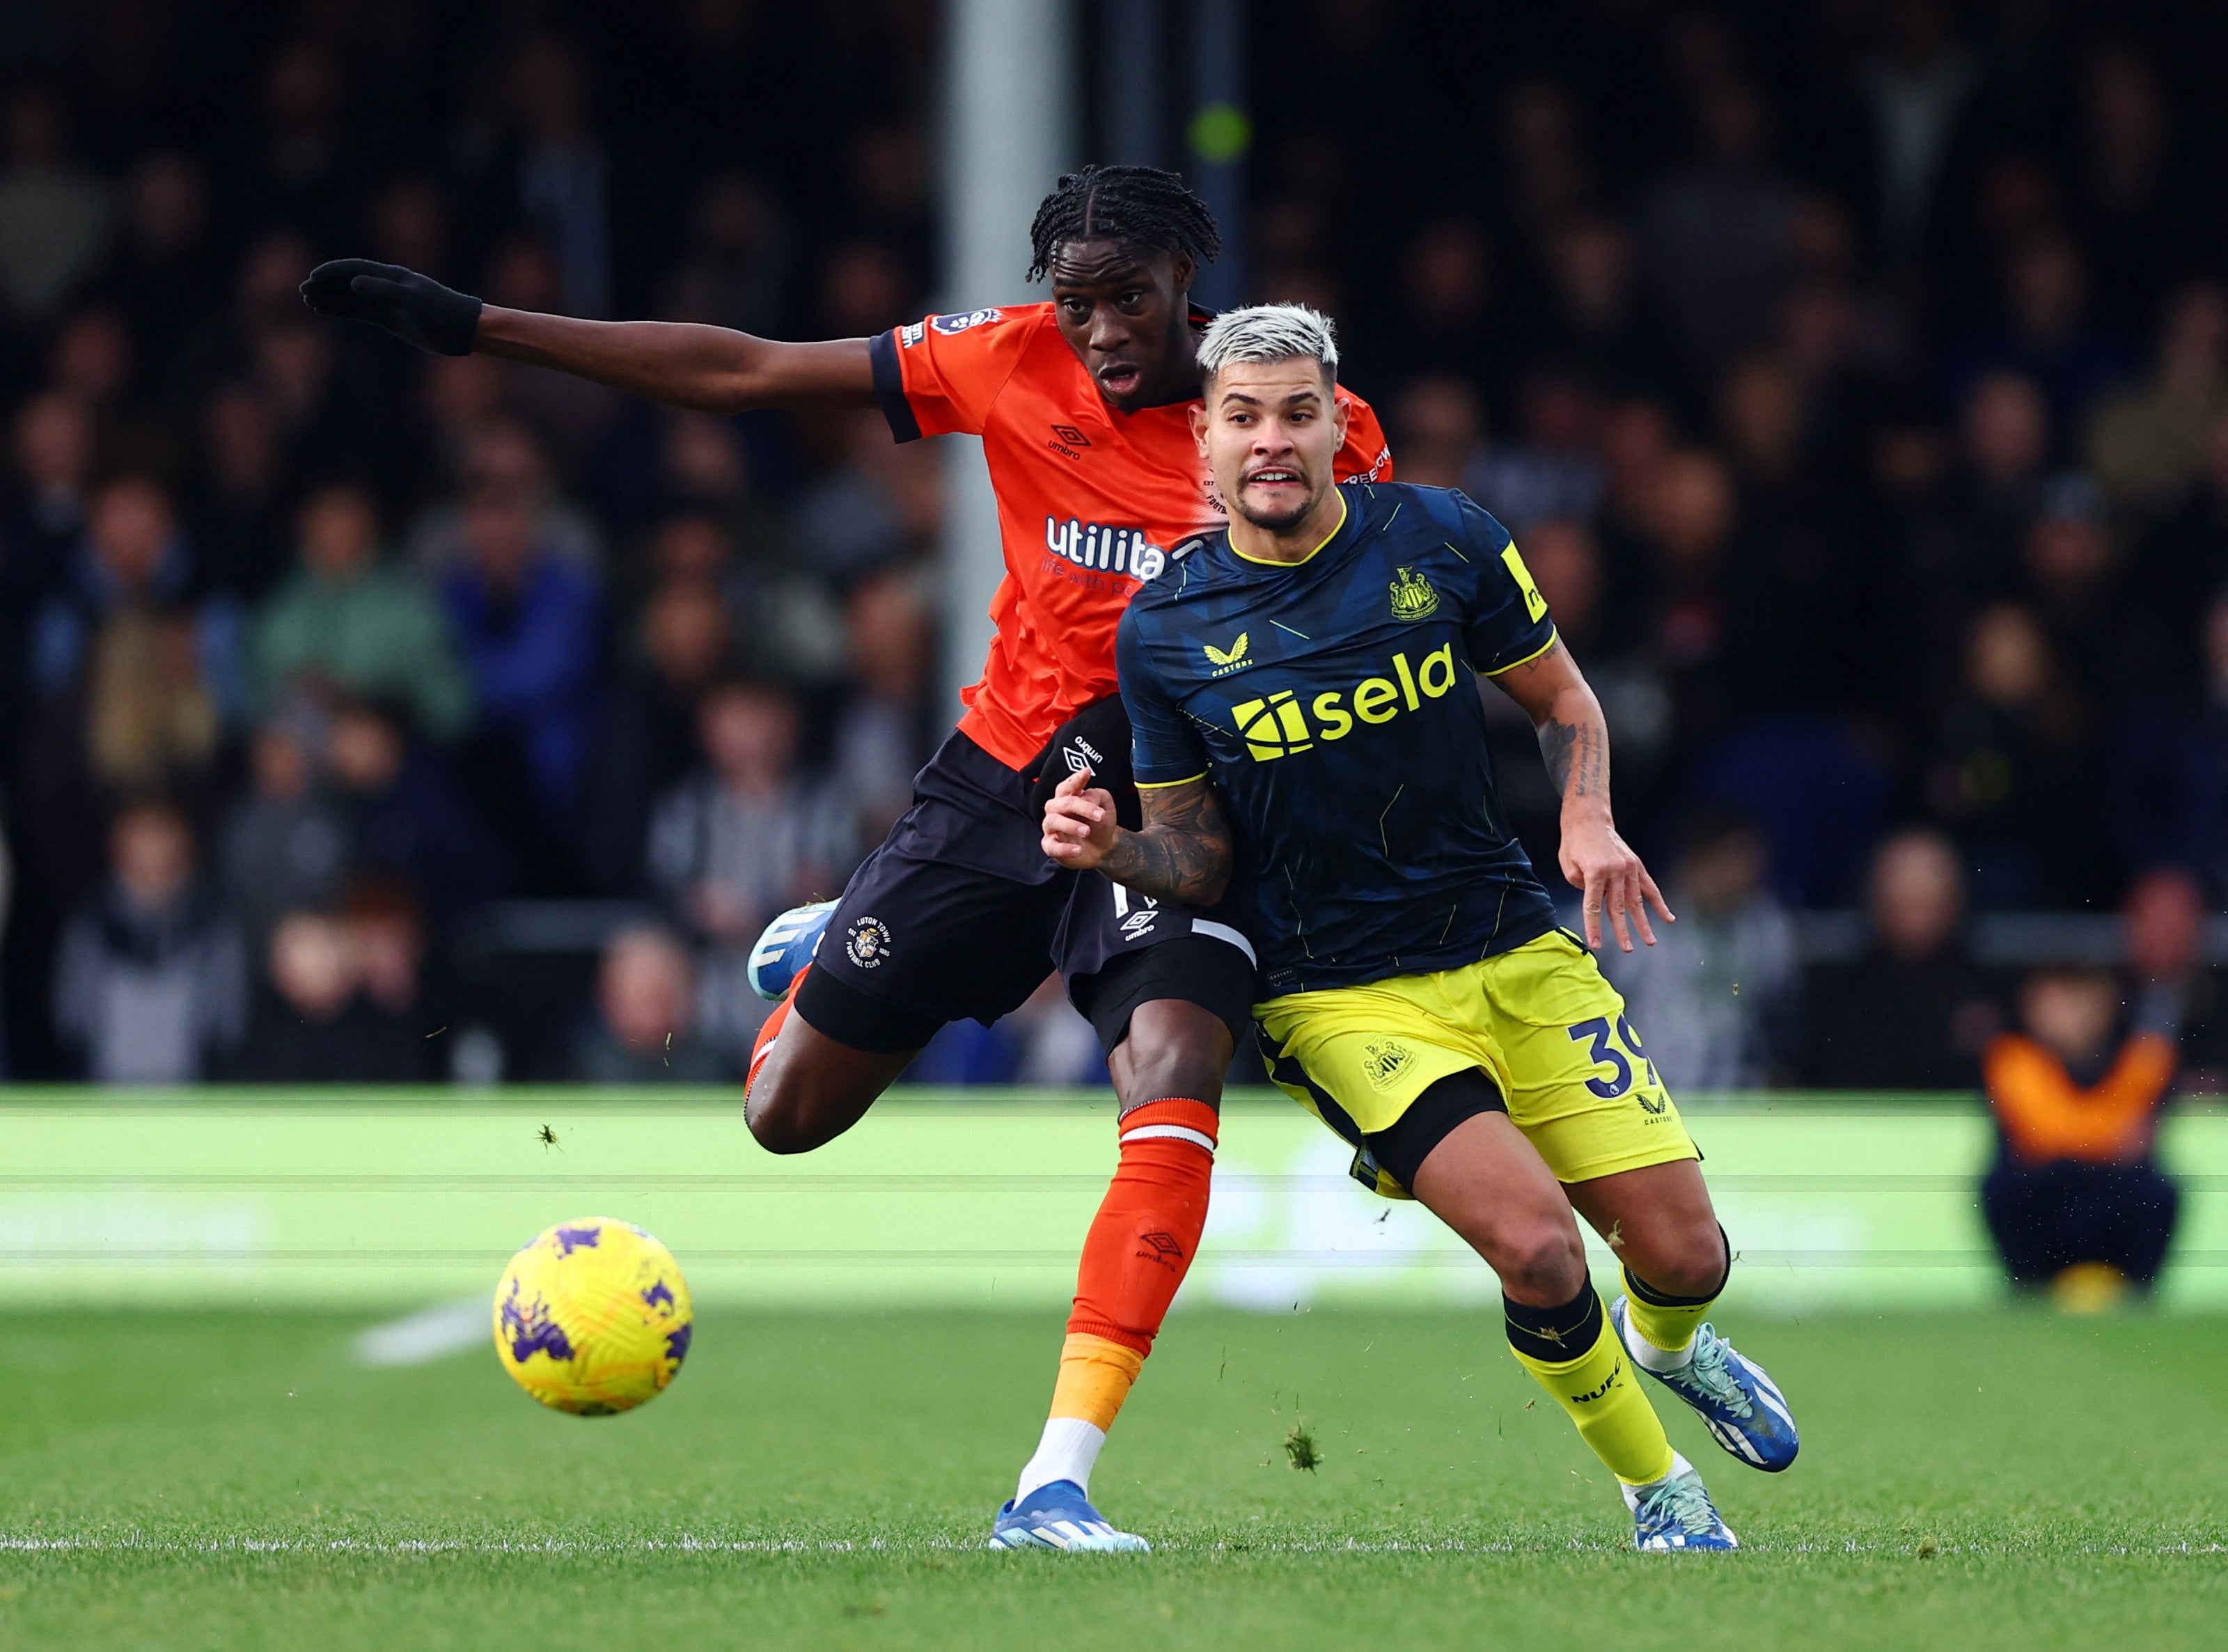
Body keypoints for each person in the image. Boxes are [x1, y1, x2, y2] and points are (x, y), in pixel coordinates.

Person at [303, 164, 1392, 1552]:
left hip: (1171, 813)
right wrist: (482, 327)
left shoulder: (1301, 422)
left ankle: (1052, 1480)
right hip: (1000, 784)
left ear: (1193, 281)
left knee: (1171, 1066)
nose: (1105, 328)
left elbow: (1369, 645)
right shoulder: (1006, 357)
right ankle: (845, 938)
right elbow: (749, 371)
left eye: (1131, 297)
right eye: (1081, 300)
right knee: (784, 1114)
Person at [1047, 305, 1798, 1552]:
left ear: (1342, 425)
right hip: (1343, 994)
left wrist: (1590, 813)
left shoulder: (1443, 538)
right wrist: (1111, 848)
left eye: (1297, 413)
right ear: (1204, 441)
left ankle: (1670, 1338)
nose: (1271, 440)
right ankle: (1657, 1490)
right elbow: (1198, 856)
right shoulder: (1166, 629)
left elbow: (1564, 700)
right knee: (1540, 1247)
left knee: (1686, 1251)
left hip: (1510, 942)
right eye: (1243, 417)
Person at [1979, 963, 2181, 1307]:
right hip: (2045, 1196)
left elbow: (2134, 1140)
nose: (2071, 1018)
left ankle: (2138, 1298)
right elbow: (2044, 1132)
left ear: (2108, 1006)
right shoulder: (2012, 1059)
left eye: (2082, 1004)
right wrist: (2103, 1140)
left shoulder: (2144, 1056)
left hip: (2114, 1197)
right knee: (2002, 1189)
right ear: (2031, 1009)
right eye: (2057, 1004)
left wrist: (2086, 1140)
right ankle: (2028, 1293)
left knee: (2159, 1192)